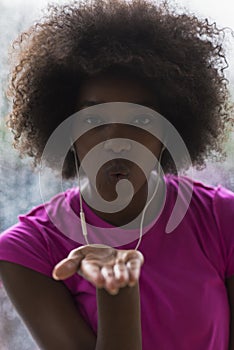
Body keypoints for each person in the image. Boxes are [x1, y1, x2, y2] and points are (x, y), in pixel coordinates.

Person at [0, 0, 234, 349]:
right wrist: (118, 292)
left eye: (141, 120)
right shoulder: (28, 249)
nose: (118, 142)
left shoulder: (221, 219)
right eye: (94, 121)